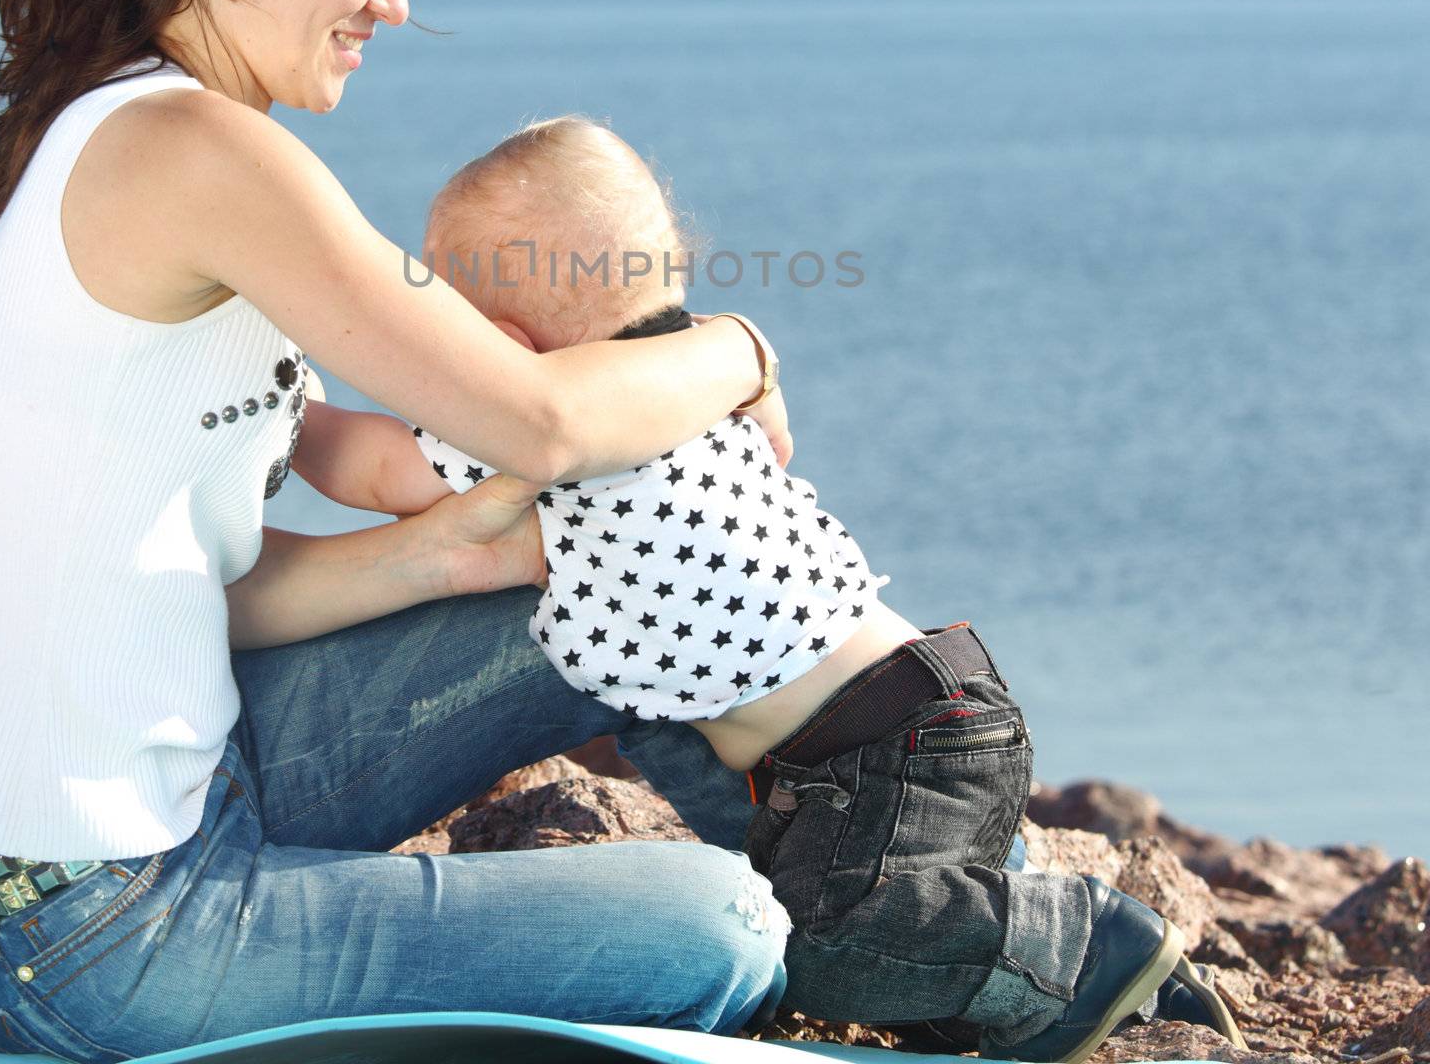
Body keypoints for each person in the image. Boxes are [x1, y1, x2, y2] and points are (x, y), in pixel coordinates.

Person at [0, 0, 799, 1062]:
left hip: (117, 845)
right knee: (727, 929)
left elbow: (166, 593)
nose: (392, 3)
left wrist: (455, 558)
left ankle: (908, 898)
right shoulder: (192, 150)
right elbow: (541, 416)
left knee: (623, 573)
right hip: (83, 931)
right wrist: (742, 351)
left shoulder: (124, 134)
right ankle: (889, 926)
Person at [294, 113, 1247, 1064]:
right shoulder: (691, 384)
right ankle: (1038, 985)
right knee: (887, 939)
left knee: (818, 938)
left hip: (887, 747)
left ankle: (1087, 947)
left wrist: (277, 393)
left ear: (501, 341)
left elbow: (368, 471)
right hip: (921, 714)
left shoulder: (558, 429)